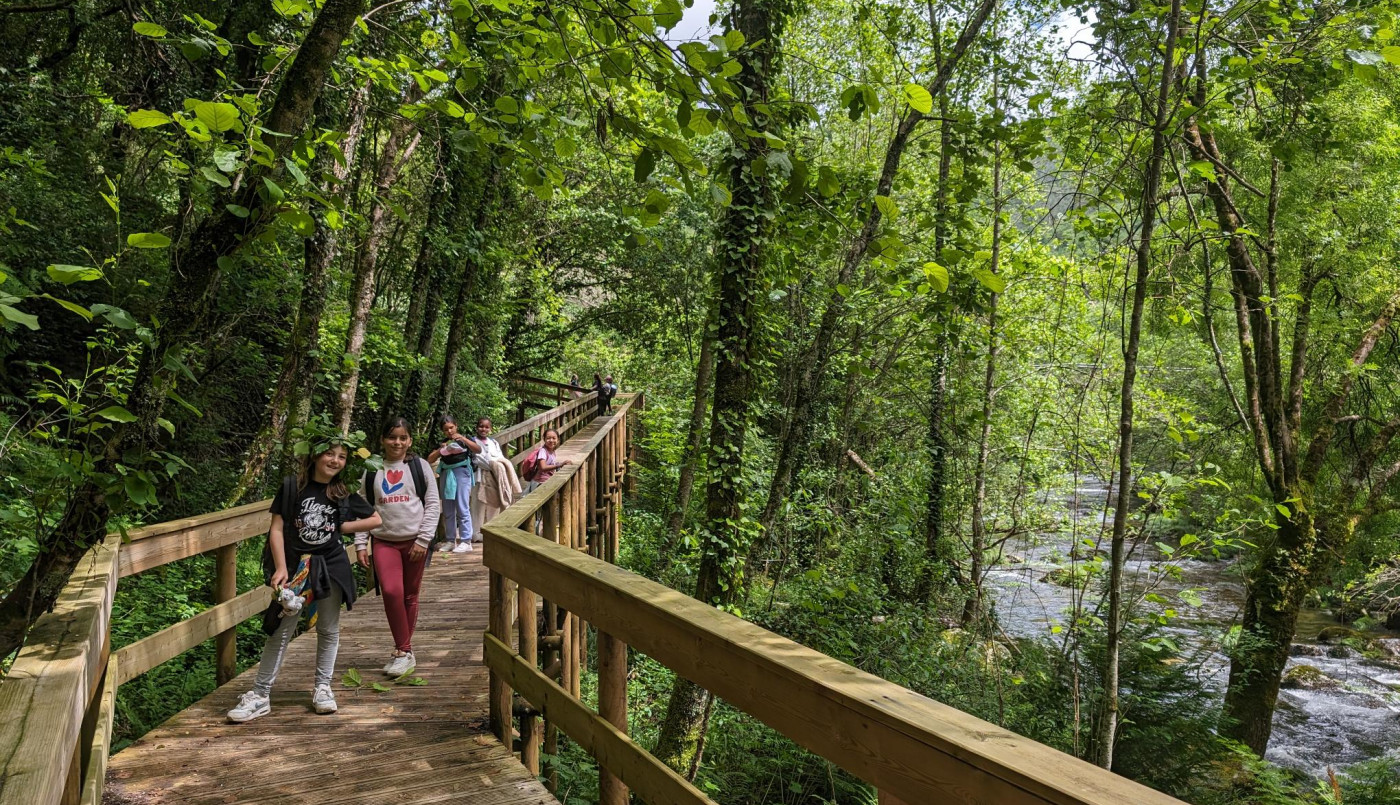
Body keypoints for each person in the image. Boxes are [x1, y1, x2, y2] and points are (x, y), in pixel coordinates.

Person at [228, 440, 380, 723]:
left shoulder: (341, 492)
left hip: (330, 565)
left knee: (328, 628)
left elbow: (375, 519)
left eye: (342, 456)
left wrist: (341, 527)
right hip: (296, 566)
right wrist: (281, 567)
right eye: (329, 454)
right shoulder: (291, 487)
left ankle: (323, 688)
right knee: (282, 628)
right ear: (315, 455)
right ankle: (260, 695)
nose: (335, 460)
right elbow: (276, 529)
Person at [357, 417, 439, 679]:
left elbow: (433, 503)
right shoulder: (371, 469)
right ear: (383, 439)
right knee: (392, 592)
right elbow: (363, 508)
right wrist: (360, 543)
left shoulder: (419, 466)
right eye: (392, 437)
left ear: (410, 441)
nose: (397, 442)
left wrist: (424, 540)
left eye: (403, 437)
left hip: (415, 541)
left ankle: (403, 651)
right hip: (383, 541)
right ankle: (404, 651)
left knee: (409, 596)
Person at [428, 416, 481, 553]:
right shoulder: (443, 443)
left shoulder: (465, 439)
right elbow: (429, 459)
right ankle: (450, 540)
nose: (449, 431)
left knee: (462, 506)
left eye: (451, 427)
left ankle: (466, 541)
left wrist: (462, 439)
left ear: (456, 426)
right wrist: (441, 450)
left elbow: (478, 449)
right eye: (446, 429)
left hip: (462, 473)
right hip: (446, 474)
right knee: (448, 508)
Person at [469, 416, 521, 542]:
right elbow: (478, 460)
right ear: (476, 427)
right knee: (478, 503)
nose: (483, 429)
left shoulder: (494, 442)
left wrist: (496, 465)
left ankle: (492, 529)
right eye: (481, 426)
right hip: (479, 477)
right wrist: (493, 464)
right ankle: (475, 533)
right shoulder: (472, 442)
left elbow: (499, 457)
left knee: (495, 501)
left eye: (486, 427)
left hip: (495, 477)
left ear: (490, 429)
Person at [522, 428, 570, 493]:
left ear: (558, 440)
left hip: (545, 482)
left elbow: (550, 463)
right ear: (544, 439)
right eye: (548, 438)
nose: (551, 440)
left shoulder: (552, 451)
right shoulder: (543, 451)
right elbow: (543, 467)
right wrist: (559, 465)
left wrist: (561, 464)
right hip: (539, 483)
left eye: (554, 438)